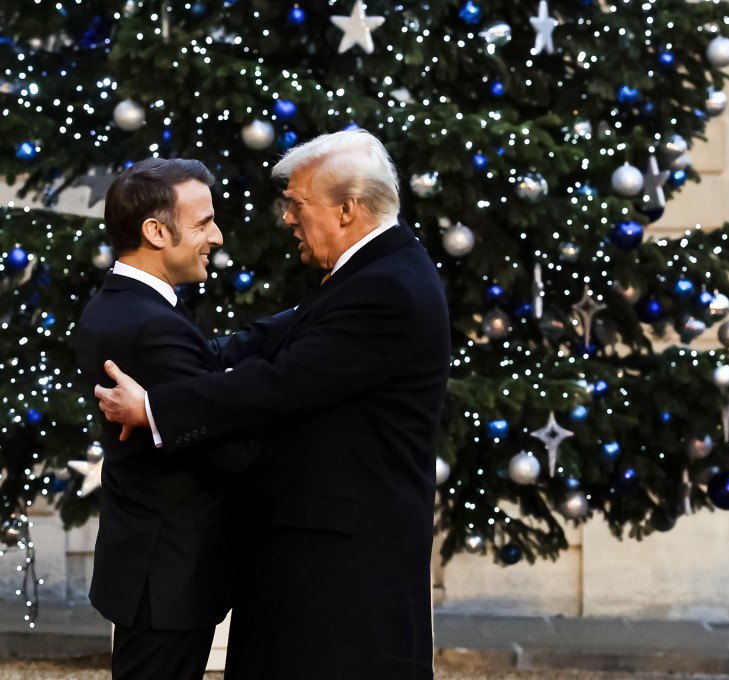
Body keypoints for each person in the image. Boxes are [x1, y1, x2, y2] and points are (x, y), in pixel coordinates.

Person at [95, 129, 452, 680]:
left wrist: (157, 408)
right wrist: (192, 357)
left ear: (347, 209)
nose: (287, 217)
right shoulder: (374, 269)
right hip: (318, 555)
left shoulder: (388, 287)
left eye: (298, 203)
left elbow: (282, 380)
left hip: (344, 569)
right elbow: (275, 337)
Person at [74, 157, 257, 680]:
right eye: (203, 223)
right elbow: (227, 453)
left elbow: (210, 364)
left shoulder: (122, 304)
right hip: (168, 574)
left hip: (152, 566)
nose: (216, 237)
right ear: (156, 230)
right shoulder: (152, 326)